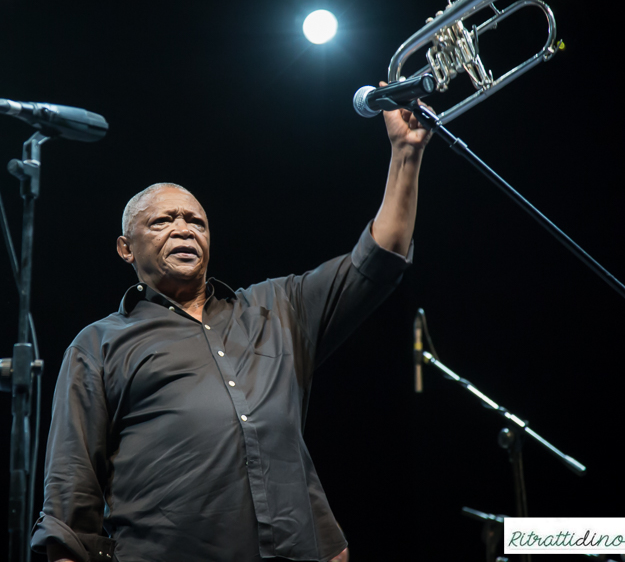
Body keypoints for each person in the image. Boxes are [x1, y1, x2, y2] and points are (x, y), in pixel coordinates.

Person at [30, 93, 430, 562]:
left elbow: (378, 260)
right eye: (162, 220)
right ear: (125, 248)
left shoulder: (277, 308)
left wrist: (406, 153)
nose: (184, 228)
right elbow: (70, 491)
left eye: (196, 221)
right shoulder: (98, 345)